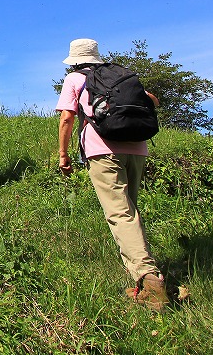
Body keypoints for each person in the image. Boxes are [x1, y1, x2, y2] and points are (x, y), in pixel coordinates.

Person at [55, 38, 169, 311]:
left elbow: (67, 118)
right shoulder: (121, 74)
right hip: (138, 148)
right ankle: (140, 280)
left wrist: (63, 154)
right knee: (129, 210)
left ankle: (149, 277)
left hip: (102, 150)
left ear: (74, 60)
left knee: (119, 213)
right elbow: (151, 100)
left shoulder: (74, 79)